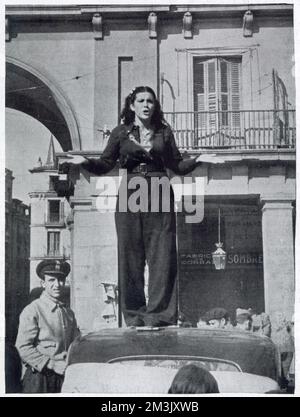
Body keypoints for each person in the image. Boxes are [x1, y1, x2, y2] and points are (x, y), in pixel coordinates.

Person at [61, 86, 223, 327]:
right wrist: (85, 162)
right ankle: (135, 316)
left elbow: (176, 165)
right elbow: (105, 164)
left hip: (159, 187)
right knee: (130, 254)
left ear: (155, 106)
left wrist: (198, 160)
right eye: (141, 100)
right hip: (131, 189)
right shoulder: (120, 133)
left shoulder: (164, 132)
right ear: (132, 105)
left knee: (162, 254)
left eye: (150, 101)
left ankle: (160, 315)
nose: (146, 105)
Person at [15, 260, 80, 393]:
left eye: (61, 280)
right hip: (40, 378)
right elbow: (23, 347)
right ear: (43, 283)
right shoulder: (33, 310)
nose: (57, 285)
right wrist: (52, 364)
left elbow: (76, 343)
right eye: (51, 280)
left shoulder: (69, 313)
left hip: (64, 377)